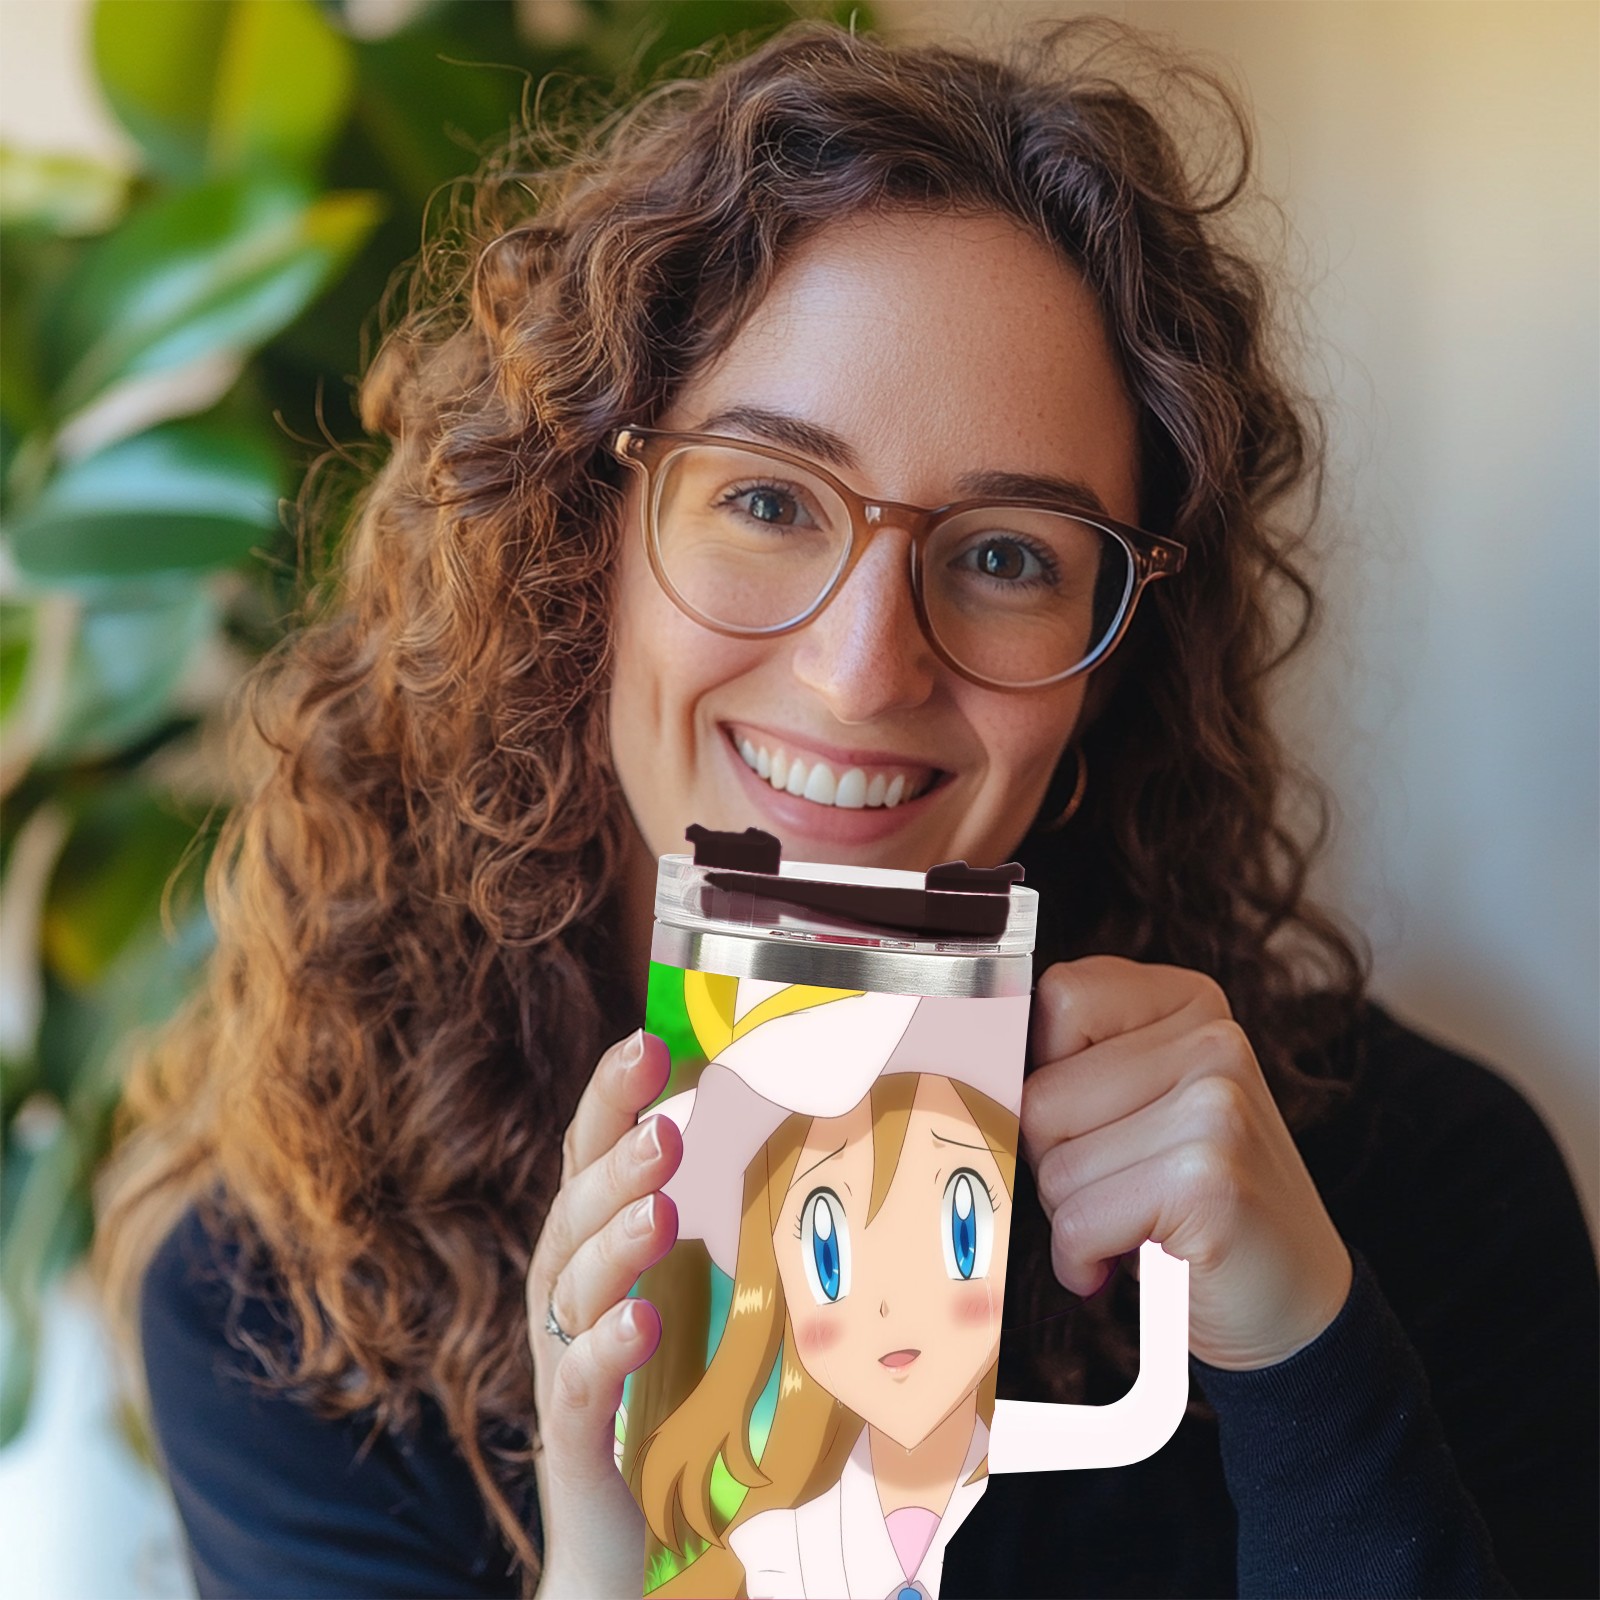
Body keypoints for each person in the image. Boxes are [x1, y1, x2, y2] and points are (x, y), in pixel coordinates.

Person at [95, 16, 1598, 1600]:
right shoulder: (293, 1300)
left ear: (1113, 663)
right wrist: (618, 1562)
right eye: (765, 499)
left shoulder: (1420, 1193)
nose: (864, 671)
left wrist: (1306, 1367)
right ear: (581, 546)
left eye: (1007, 554)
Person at [627, 977, 1025, 1599]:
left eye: (961, 1227)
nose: (890, 1302)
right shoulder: (777, 1551)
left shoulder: (1051, 1490)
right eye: (828, 1256)